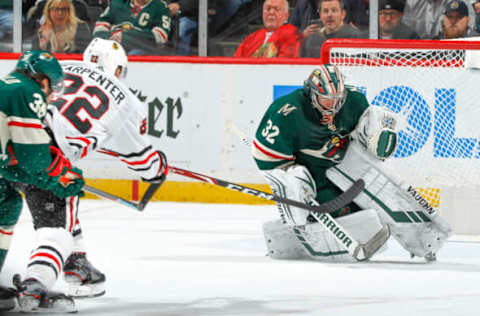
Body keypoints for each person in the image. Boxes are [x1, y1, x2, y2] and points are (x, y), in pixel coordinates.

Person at [16, 38, 168, 312]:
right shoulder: (125, 98)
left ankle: (76, 261)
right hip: (46, 153)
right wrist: (159, 168)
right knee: (57, 226)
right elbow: (143, 162)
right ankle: (38, 283)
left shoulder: (62, 66)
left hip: (10, 131)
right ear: (119, 70)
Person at [252, 64, 451, 263]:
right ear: (311, 94)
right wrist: (292, 181)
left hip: (347, 165)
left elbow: (369, 130)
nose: (333, 106)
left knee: (385, 193)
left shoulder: (354, 100)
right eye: (326, 100)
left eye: (337, 99)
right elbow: (267, 159)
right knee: (361, 222)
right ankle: (287, 240)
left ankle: (424, 238)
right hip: (314, 176)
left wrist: (378, 130)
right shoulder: (286, 112)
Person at [0, 50, 84, 312]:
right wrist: (61, 178)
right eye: (51, 86)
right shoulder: (28, 92)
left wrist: (51, 177)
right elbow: (34, 160)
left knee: (7, 201)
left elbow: (10, 166)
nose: (50, 95)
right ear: (43, 80)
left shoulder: (8, 85)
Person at [93, 0, 171, 55]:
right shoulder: (117, 2)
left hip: (138, 49)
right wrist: (111, 38)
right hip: (110, 46)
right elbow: (98, 29)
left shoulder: (161, 7)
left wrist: (125, 37)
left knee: (133, 54)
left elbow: (160, 37)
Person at [234, 0, 302, 58]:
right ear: (262, 13)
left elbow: (284, 64)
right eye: (268, 9)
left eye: (277, 9)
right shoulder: (252, 37)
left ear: (286, 15)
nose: (271, 12)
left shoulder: (291, 34)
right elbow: (235, 62)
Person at [402, 0, 475, 39]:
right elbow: (405, 30)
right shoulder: (412, 3)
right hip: (415, 49)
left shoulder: (461, 3)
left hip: (452, 49)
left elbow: (468, 33)